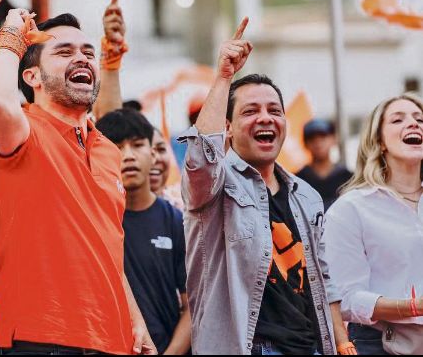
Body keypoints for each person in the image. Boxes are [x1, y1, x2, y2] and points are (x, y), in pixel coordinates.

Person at [0, 8, 155, 355]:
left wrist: (136, 322)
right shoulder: (22, 131)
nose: (82, 59)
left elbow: (107, 249)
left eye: (88, 53)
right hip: (43, 339)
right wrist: (11, 34)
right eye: (64, 52)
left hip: (112, 339)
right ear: (32, 77)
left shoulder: (105, 148)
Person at [179, 19, 351, 355]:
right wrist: (224, 77)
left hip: (311, 345)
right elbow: (200, 159)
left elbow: (324, 280)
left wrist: (342, 341)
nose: (265, 118)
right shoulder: (215, 187)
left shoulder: (307, 196)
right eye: (250, 111)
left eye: (274, 110)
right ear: (227, 128)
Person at [324, 94, 423, 354]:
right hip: (379, 343)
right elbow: (343, 298)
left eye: (419, 119)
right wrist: (413, 306)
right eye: (398, 119)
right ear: (379, 142)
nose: (413, 124)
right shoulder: (352, 208)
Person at [96, 109, 191, 355]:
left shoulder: (176, 221)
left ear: (153, 152)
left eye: (137, 145)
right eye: (117, 147)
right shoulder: (94, 221)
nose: (128, 156)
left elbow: (192, 306)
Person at [296, 119, 352, 211]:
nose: (318, 143)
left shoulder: (348, 177)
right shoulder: (297, 181)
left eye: (323, 136)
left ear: (334, 139)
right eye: (312, 138)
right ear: (305, 144)